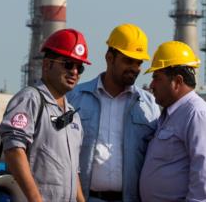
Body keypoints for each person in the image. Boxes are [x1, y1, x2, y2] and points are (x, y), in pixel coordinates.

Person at [68, 24, 161, 202]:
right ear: (110, 58)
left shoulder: (149, 106)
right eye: (129, 60)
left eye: (139, 62)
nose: (135, 68)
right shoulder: (75, 98)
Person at [0, 28, 91, 202]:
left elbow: (73, 171)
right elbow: (14, 150)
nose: (74, 72)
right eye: (68, 64)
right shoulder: (30, 99)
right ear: (47, 64)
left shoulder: (73, 116)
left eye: (80, 67)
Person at [138, 41, 206, 202]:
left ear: (177, 81)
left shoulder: (198, 114)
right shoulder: (171, 114)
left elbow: (205, 171)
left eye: (157, 78)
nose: (151, 85)